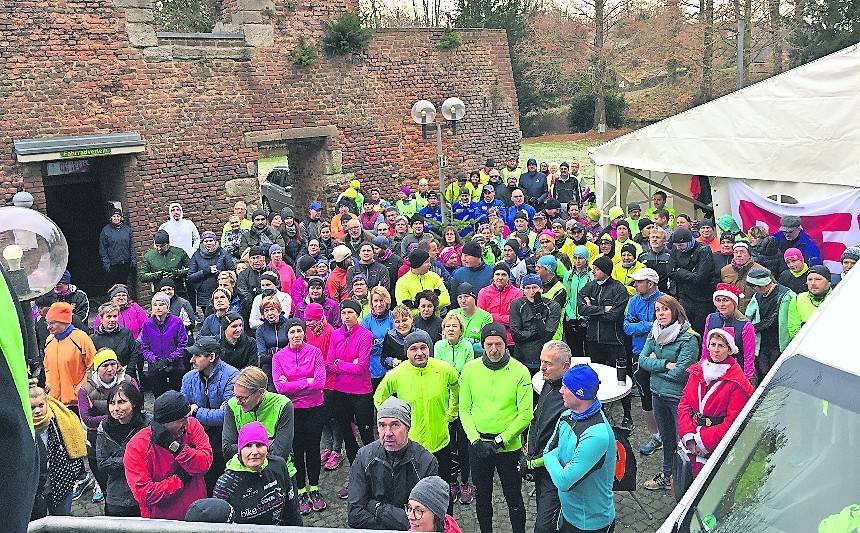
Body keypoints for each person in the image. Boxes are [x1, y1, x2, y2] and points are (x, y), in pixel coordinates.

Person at [459, 323, 532, 533]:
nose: (493, 349)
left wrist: (501, 440)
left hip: (508, 447)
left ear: (505, 344)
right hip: (479, 445)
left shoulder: (520, 371)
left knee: (514, 498)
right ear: (482, 345)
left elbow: (525, 414)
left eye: (498, 344)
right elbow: (464, 409)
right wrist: (475, 440)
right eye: (489, 344)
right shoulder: (470, 370)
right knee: (482, 498)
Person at [375, 330, 459, 489]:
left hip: (441, 442)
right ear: (406, 352)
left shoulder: (444, 369)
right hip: (411, 445)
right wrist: (393, 425)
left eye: (423, 347)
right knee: (416, 492)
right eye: (413, 349)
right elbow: (379, 398)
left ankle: (447, 515)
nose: (419, 353)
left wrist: (452, 412)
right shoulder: (396, 374)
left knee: (443, 489)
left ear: (429, 349)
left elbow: (456, 388)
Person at [543, 365, 617, 533]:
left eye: (566, 387)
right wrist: (551, 456)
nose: (561, 391)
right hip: (567, 515)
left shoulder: (597, 435)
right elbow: (548, 450)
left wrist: (551, 457)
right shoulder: (566, 416)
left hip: (592, 524)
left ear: (580, 393)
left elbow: (564, 482)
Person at [348, 397, 439, 529]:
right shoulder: (364, 457)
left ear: (408, 427)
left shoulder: (426, 462)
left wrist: (376, 507)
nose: (388, 433)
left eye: (395, 425)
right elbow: (354, 515)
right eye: (382, 425)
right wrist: (400, 521)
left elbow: (426, 521)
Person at [637, 295, 698, 491]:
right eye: (657, 310)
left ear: (674, 311)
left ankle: (687, 480)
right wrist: (664, 364)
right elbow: (642, 361)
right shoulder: (654, 333)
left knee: (683, 441)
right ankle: (667, 475)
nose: (661, 314)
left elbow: (682, 373)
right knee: (666, 438)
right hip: (657, 394)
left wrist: (655, 366)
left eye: (665, 309)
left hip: (678, 398)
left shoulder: (688, 338)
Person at [124, 390, 213, 519]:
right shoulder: (137, 446)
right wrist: (181, 479)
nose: (187, 424)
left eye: (187, 417)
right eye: (182, 420)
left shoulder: (193, 426)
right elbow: (144, 494)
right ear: (164, 422)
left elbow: (204, 463)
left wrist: (175, 447)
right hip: (161, 522)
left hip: (196, 515)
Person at [678, 328, 754, 476]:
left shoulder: (737, 382)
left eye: (721, 346)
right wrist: (687, 435)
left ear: (730, 349)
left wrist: (701, 441)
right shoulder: (698, 370)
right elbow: (685, 403)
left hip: (715, 443)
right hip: (691, 436)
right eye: (713, 345)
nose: (716, 350)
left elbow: (733, 422)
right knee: (681, 481)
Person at [272, 318, 328, 514]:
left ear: (304, 332)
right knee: (296, 449)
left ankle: (314, 487)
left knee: (313, 448)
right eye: (292, 332)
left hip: (315, 408)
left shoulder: (315, 352)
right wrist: (307, 381)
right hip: (292, 411)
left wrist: (293, 383)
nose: (296, 335)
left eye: (299, 331)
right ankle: (301, 490)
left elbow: (321, 382)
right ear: (286, 335)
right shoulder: (278, 357)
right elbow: (280, 388)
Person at [520, 341, 571, 533]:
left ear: (565, 366)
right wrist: (529, 445)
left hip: (554, 472)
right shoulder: (548, 383)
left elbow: (564, 447)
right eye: (541, 361)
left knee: (543, 527)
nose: (541, 367)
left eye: (548, 363)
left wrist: (533, 463)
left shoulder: (571, 398)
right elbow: (538, 418)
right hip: (540, 465)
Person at [327, 299, 375, 497]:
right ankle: (357, 475)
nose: (347, 316)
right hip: (340, 392)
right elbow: (330, 362)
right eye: (344, 312)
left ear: (357, 314)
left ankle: (374, 472)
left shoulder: (365, 335)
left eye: (350, 313)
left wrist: (342, 364)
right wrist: (348, 363)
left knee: (367, 435)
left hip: (361, 392)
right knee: (347, 435)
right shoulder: (336, 334)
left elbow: (361, 366)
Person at [213, 421, 302, 525]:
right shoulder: (225, 483)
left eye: (259, 445)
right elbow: (220, 526)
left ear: (267, 448)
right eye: (248, 445)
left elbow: (291, 510)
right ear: (240, 450)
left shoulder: (279, 465)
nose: (254, 452)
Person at [579, 255, 633, 427]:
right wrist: (602, 308)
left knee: (622, 377)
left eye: (596, 268)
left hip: (614, 340)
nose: (593, 271)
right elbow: (581, 309)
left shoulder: (619, 290)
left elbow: (614, 315)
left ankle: (627, 415)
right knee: (596, 377)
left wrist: (592, 308)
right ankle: (597, 411)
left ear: (605, 271)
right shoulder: (590, 286)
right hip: (593, 339)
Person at [181, 336, 239, 494]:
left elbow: (226, 416)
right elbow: (183, 413)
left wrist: (196, 410)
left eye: (197, 355)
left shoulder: (232, 375)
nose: (192, 360)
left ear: (211, 357)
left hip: (222, 441)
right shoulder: (188, 378)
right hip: (197, 440)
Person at [79, 348, 137, 503]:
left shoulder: (129, 382)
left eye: (113, 364)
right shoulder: (85, 390)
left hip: (128, 434)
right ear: (97, 368)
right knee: (105, 477)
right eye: (105, 365)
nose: (111, 369)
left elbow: (137, 407)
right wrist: (118, 415)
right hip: (99, 439)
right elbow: (87, 419)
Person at [623, 268, 664, 456]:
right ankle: (655, 435)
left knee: (663, 396)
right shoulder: (633, 301)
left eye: (639, 281)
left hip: (662, 355)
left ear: (651, 283)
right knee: (645, 396)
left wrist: (642, 326)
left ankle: (670, 433)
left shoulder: (665, 301)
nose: (635, 284)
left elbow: (669, 327)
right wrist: (649, 325)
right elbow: (626, 326)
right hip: (638, 353)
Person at [96, 381, 149, 516]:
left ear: (134, 403)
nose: (116, 408)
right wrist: (133, 459)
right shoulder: (104, 427)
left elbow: (152, 458)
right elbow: (102, 464)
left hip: (144, 491)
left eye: (121, 402)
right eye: (112, 403)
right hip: (117, 495)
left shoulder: (148, 425)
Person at [43, 301, 96, 409]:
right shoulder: (49, 340)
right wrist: (49, 385)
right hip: (55, 402)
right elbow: (47, 366)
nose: (49, 327)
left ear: (64, 321)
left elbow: (93, 366)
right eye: (47, 323)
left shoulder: (81, 338)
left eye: (52, 323)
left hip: (77, 402)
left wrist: (80, 389)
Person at [745, 267, 794, 379]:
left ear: (762, 285)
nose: (753, 290)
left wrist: (753, 328)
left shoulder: (786, 295)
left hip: (779, 343)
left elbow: (773, 320)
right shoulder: (758, 296)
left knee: (776, 374)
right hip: (762, 342)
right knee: (763, 372)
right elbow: (749, 315)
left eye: (754, 287)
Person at [701, 283, 756, 381]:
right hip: (713, 369)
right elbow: (705, 347)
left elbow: (749, 356)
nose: (721, 304)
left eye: (725, 300)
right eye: (718, 300)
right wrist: (702, 368)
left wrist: (746, 378)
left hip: (735, 371)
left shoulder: (745, 325)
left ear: (734, 302)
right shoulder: (711, 318)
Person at [668, 227, 716, 333]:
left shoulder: (703, 250)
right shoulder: (675, 249)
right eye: (676, 245)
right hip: (684, 296)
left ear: (689, 241)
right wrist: (690, 274)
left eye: (681, 245)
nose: (678, 248)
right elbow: (670, 271)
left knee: (700, 330)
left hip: (703, 299)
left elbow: (700, 278)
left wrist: (679, 271)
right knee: (684, 329)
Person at [509, 274, 561, 372]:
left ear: (541, 289)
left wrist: (537, 315)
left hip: (542, 356)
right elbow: (515, 334)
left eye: (534, 287)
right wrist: (536, 332)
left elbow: (547, 335)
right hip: (521, 356)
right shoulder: (517, 304)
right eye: (527, 288)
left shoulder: (553, 306)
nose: (531, 292)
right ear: (523, 290)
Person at [142, 292, 188, 398]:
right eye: (155, 305)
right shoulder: (147, 324)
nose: (158, 308)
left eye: (161, 304)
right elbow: (145, 347)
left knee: (176, 394)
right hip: (156, 366)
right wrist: (155, 360)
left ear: (167, 307)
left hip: (174, 364)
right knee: (159, 394)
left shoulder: (177, 322)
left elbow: (183, 344)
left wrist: (170, 359)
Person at [91, 302, 142, 383]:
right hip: (106, 378)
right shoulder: (94, 339)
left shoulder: (126, 333)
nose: (112, 320)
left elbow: (134, 353)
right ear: (101, 318)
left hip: (127, 375)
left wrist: (128, 372)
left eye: (115, 316)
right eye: (108, 316)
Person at [476, 263, 523, 348]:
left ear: (508, 277)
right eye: (497, 274)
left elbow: (516, 320)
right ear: (493, 276)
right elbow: (481, 318)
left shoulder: (518, 293)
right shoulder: (483, 292)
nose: (500, 278)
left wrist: (492, 316)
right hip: (490, 338)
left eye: (504, 275)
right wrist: (505, 319)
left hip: (511, 340)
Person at [188, 231, 236, 312]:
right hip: (204, 295)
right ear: (202, 243)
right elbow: (190, 277)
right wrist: (206, 271)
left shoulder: (223, 253)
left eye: (211, 241)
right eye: (206, 241)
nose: (208, 243)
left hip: (222, 292)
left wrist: (219, 273)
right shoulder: (196, 256)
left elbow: (232, 272)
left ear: (215, 241)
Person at [395, 248, 451, 314]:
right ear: (418, 264)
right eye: (427, 262)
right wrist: (429, 308)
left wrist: (420, 307)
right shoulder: (402, 282)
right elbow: (404, 309)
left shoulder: (434, 277)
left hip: (435, 321)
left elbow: (446, 299)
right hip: (414, 323)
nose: (430, 264)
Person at [562, 245, 593, 358]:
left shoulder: (591, 276)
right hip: (571, 317)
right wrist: (569, 313)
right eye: (575, 258)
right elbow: (567, 296)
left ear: (586, 259)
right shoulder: (568, 275)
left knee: (588, 350)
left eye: (580, 258)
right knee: (574, 350)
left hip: (586, 318)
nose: (577, 261)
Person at [787, 264, 833, 341]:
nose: (813, 283)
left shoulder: (836, 297)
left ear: (829, 282)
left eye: (818, 279)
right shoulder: (798, 299)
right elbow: (793, 330)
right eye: (810, 279)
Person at [138, 229, 190, 294]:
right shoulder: (149, 256)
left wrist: (178, 273)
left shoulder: (179, 252)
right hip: (159, 292)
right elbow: (142, 276)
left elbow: (191, 269)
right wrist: (158, 275)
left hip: (178, 290)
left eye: (162, 246)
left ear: (168, 243)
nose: (159, 248)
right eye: (157, 246)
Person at [720, 241, 763, 314]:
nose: (739, 255)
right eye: (736, 252)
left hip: (753, 315)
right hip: (731, 315)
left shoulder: (760, 271)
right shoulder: (725, 271)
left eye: (742, 252)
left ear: (749, 255)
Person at [255, 295, 290, 384]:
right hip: (269, 367)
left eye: (272, 309)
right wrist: (277, 358)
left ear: (278, 310)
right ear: (262, 314)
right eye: (266, 311)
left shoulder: (288, 325)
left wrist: (274, 353)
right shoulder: (260, 330)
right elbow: (262, 355)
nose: (270, 313)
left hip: (289, 365)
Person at [99, 208, 137, 289]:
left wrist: (133, 260)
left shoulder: (127, 230)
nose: (116, 218)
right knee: (113, 286)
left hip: (125, 263)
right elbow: (103, 249)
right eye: (114, 216)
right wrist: (106, 264)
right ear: (111, 218)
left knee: (124, 285)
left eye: (118, 216)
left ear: (121, 218)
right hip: (113, 265)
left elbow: (131, 246)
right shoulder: (105, 231)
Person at [236, 246, 270, 323]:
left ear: (263, 258)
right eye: (253, 258)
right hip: (248, 312)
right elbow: (243, 294)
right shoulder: (243, 275)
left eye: (258, 257)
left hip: (269, 309)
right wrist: (256, 305)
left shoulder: (271, 271)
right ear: (249, 259)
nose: (255, 261)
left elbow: (275, 290)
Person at [639, 227, 671, 293]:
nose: (654, 239)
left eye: (658, 237)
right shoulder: (642, 256)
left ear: (664, 241)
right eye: (652, 237)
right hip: (647, 292)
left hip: (666, 293)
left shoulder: (671, 256)